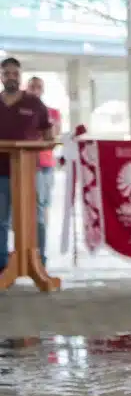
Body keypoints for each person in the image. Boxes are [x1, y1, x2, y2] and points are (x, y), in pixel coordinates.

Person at [0, 58, 54, 275]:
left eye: (15, 73)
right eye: (6, 74)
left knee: (36, 220)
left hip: (29, 173)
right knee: (0, 221)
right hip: (1, 173)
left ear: (20, 76)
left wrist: (41, 145)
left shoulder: (34, 104)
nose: (11, 77)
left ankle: (38, 263)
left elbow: (49, 136)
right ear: (1, 76)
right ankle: (2, 267)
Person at [26, 76, 60, 268]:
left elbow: (52, 136)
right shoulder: (22, 111)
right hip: (23, 164)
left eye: (39, 86)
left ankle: (40, 256)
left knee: (41, 208)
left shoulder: (52, 112)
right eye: (32, 86)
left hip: (44, 165)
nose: (35, 89)